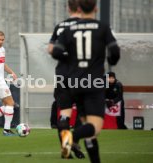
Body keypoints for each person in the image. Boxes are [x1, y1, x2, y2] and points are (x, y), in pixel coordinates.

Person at [52, 0, 120, 162]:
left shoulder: (69, 29)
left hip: (75, 82)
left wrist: (72, 61)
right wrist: (108, 59)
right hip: (93, 82)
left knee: (87, 127)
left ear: (79, 9)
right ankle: (72, 138)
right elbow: (115, 54)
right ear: (96, 8)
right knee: (94, 128)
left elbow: (55, 52)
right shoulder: (102, 27)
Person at [48, 0, 85, 159]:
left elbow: (51, 49)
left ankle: (66, 149)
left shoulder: (60, 26)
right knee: (84, 113)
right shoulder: (87, 26)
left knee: (64, 114)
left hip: (63, 74)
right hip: (82, 75)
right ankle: (75, 140)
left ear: (68, 8)